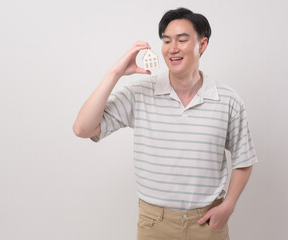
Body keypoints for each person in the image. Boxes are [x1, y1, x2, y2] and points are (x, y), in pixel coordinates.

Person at [73, 7, 258, 240]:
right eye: (166, 41)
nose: (173, 48)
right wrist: (115, 73)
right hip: (154, 223)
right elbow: (82, 128)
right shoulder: (140, 93)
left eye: (182, 40)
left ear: (202, 45)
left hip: (208, 222)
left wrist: (229, 205)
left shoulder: (228, 100)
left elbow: (244, 158)